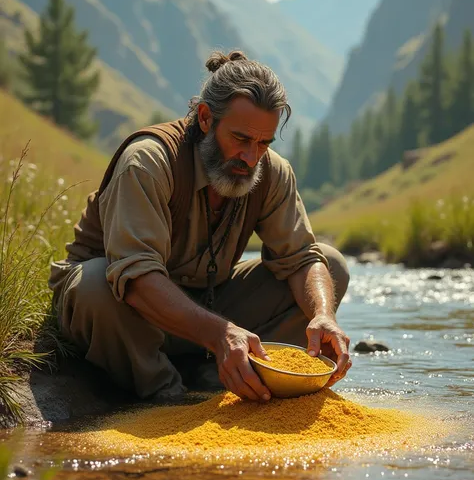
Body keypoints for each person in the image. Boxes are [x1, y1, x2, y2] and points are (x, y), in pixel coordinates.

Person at [48, 50, 351, 403]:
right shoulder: (147, 162)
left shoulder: (271, 171)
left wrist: (323, 315)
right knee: (95, 285)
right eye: (241, 139)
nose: (252, 157)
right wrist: (221, 333)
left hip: (206, 309)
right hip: (126, 313)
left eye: (263, 143)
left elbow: (300, 258)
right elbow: (136, 277)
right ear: (206, 118)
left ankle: (218, 379)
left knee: (329, 266)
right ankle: (168, 394)